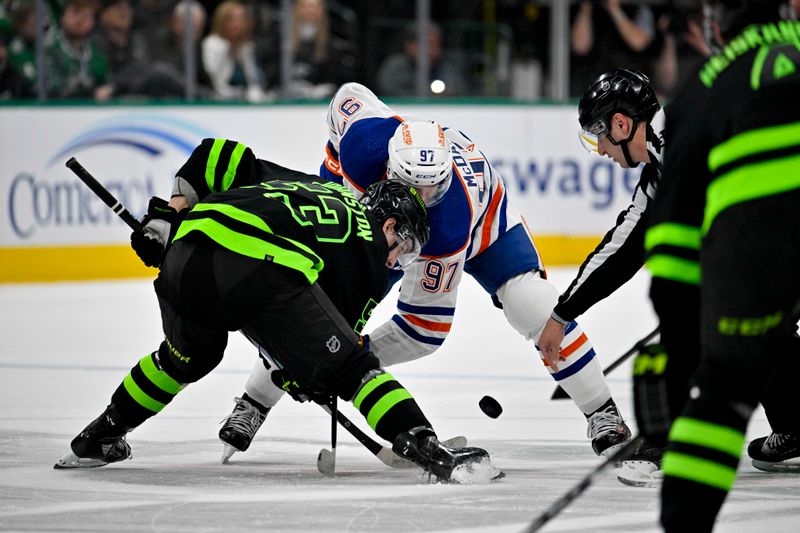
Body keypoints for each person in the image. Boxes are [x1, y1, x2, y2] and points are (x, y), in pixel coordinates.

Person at [217, 82, 633, 463]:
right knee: (323, 305)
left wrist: (345, 361)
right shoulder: (364, 146)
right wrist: (335, 173)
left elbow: (424, 328)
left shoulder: (446, 222)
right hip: (378, 220)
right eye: (414, 188)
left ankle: (603, 412)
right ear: (389, 168)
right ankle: (253, 402)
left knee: (533, 305)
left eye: (433, 188)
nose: (424, 198)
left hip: (485, 225)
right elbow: (349, 94)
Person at [55, 140, 499, 483]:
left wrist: (169, 215)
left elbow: (218, 155)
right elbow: (337, 353)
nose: (396, 261)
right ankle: (427, 444)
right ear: (388, 225)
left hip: (184, 253)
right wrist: (303, 373)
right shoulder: (366, 257)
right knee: (354, 370)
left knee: (186, 356)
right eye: (404, 246)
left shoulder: (316, 186)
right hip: (259, 270)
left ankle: (99, 435)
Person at [639, 0, 800, 529]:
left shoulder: (705, 86)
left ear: (715, 22)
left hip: (756, 259)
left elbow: (671, 239)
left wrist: (684, 361)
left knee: (721, 399)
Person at [537, 68, 667, 486]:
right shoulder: (660, 169)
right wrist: (561, 315)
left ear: (622, 124)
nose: (599, 149)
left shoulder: (683, 144)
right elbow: (622, 250)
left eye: (599, 134)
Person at [570, 0, 663, 97]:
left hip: (630, 88)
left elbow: (639, 42)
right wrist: (586, 8)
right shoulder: (588, 8)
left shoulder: (640, 7)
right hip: (593, 86)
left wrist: (614, 9)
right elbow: (580, 45)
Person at [44, 0, 113, 100]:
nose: (80, 20)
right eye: (75, 12)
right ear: (63, 16)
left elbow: (106, 85)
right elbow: (52, 89)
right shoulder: (49, 47)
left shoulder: (97, 53)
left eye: (86, 15)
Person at [375, 22, 466, 97]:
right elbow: (390, 92)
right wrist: (429, 94)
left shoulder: (447, 67)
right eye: (429, 44)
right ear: (410, 45)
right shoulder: (395, 67)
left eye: (437, 45)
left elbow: (461, 91)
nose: (434, 50)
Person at [201, 0, 266, 102]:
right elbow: (212, 82)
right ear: (222, 22)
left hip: (245, 102)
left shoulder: (246, 47)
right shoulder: (213, 44)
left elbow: (254, 81)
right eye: (231, 20)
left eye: (241, 19)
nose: (237, 24)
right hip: (220, 102)